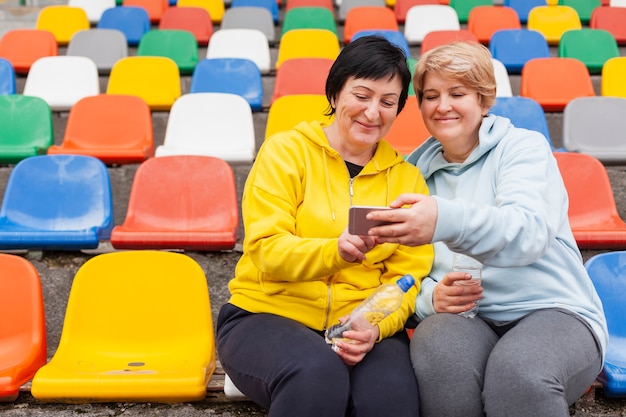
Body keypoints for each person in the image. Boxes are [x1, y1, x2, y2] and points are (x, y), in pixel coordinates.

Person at [367, 41, 608, 417]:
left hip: (552, 310)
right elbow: (398, 271)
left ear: (484, 98)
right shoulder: (409, 174)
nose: (442, 105)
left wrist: (442, 220)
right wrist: (430, 297)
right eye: (430, 96)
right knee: (440, 358)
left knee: (519, 372)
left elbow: (527, 231)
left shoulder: (523, 149)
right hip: (467, 317)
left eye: (457, 93)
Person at [215, 36, 433, 417]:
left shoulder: (407, 179)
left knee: (390, 401)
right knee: (316, 375)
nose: (372, 112)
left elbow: (407, 277)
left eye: (387, 102)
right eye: (361, 95)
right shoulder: (286, 152)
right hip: (266, 314)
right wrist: (335, 252)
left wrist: (375, 327)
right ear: (335, 93)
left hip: (360, 323)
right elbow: (266, 249)